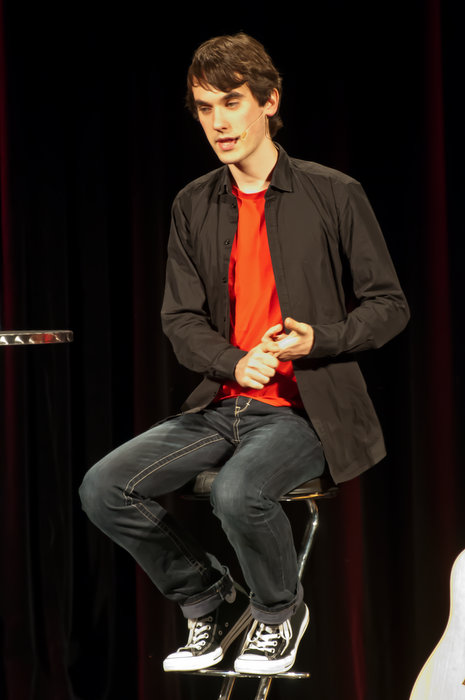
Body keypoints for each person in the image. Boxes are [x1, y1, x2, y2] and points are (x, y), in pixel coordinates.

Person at [79, 32, 409, 676]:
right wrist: (233, 362)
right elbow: (179, 320)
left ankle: (279, 613)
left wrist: (320, 338)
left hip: (304, 412)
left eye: (231, 102)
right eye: (205, 108)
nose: (219, 123)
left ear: (269, 100)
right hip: (222, 406)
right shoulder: (193, 203)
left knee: (237, 493)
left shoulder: (333, 193)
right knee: (104, 487)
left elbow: (389, 305)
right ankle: (208, 597)